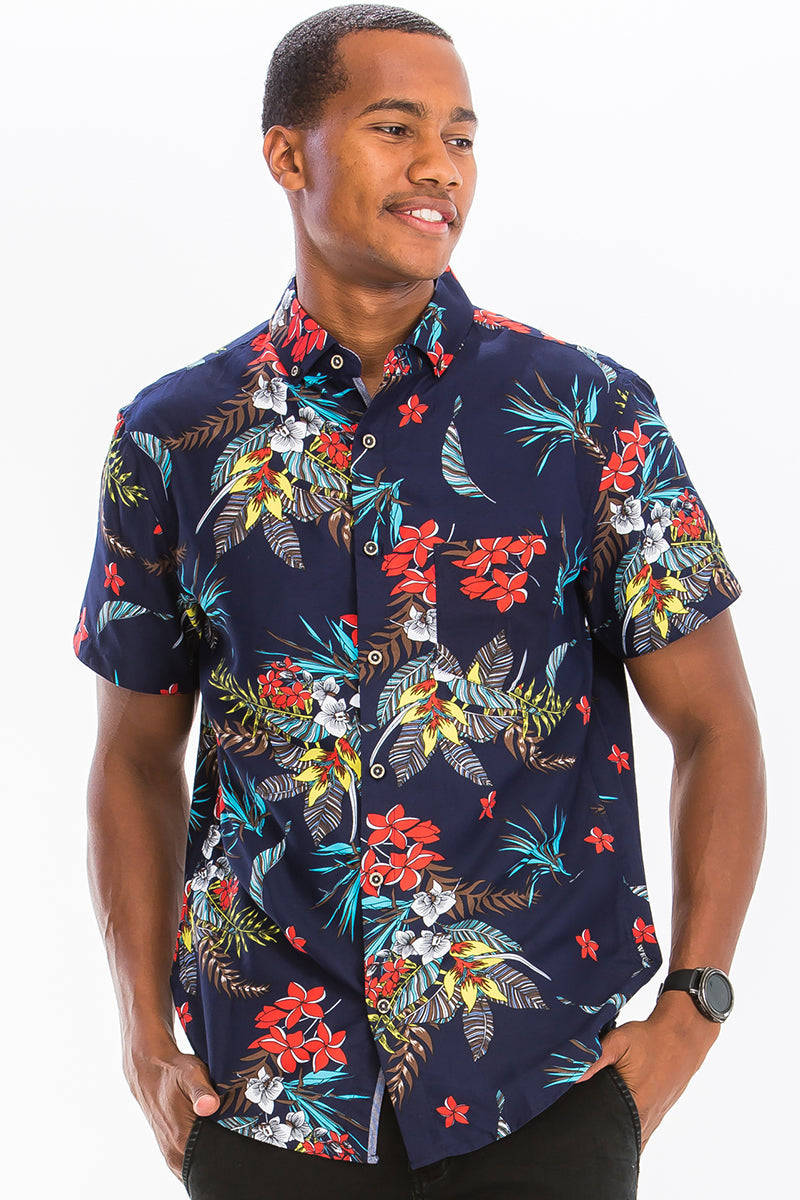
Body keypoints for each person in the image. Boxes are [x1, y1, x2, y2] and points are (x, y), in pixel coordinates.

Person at [74, 6, 766, 1198]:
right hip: (272, 1097)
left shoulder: (583, 413)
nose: (439, 165)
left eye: (460, 135)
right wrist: (143, 1032)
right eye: (395, 128)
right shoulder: (174, 436)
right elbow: (133, 755)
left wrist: (692, 1009)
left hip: (541, 1085)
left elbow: (714, 724)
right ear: (287, 154)